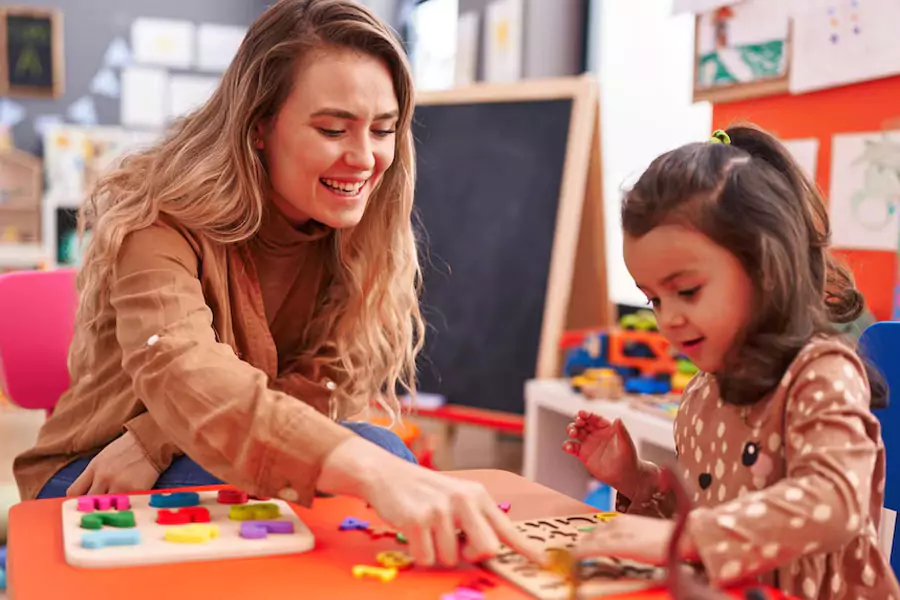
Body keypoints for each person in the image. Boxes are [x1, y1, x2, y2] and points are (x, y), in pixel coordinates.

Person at [14, 0, 540, 569]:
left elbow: (318, 384)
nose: (364, 158)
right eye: (332, 128)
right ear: (259, 126)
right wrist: (374, 471)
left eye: (384, 130)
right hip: (91, 471)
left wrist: (158, 436)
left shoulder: (353, 232)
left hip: (194, 449)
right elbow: (186, 373)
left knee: (371, 460)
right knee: (371, 458)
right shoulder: (158, 221)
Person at [563, 126, 900, 599]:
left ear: (765, 269)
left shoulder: (822, 373)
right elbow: (708, 514)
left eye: (687, 291)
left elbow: (835, 500)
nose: (669, 319)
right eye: (653, 300)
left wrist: (683, 538)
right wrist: (635, 478)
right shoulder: (705, 389)